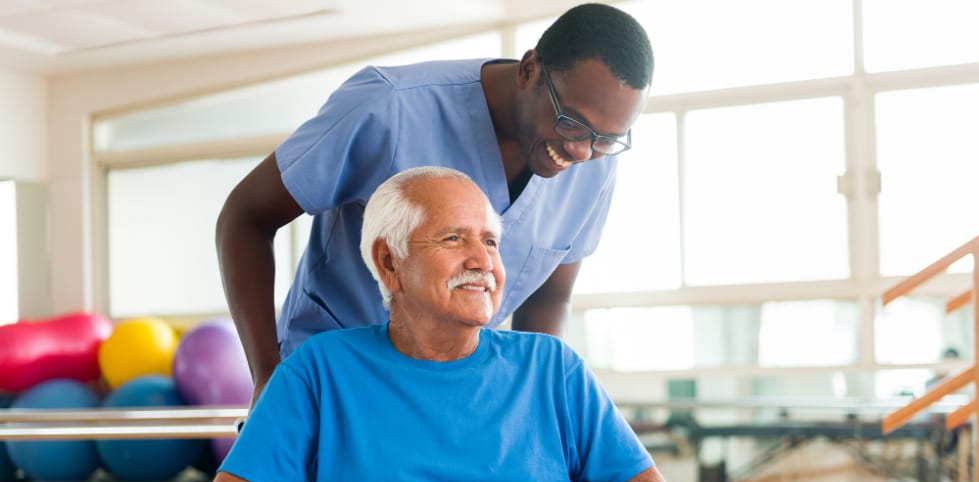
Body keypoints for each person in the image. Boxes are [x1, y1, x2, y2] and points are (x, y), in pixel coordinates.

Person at [198, 166, 677, 482]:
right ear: (389, 263)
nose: (483, 261)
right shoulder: (319, 369)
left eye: (491, 241)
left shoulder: (551, 369)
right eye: (454, 238)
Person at [216, 3, 655, 404]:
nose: (580, 151)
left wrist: (536, 406)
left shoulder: (595, 164)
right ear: (529, 70)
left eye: (607, 139)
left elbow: (548, 299)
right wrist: (267, 374)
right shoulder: (389, 108)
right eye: (571, 123)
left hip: (449, 401)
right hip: (329, 389)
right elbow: (247, 216)